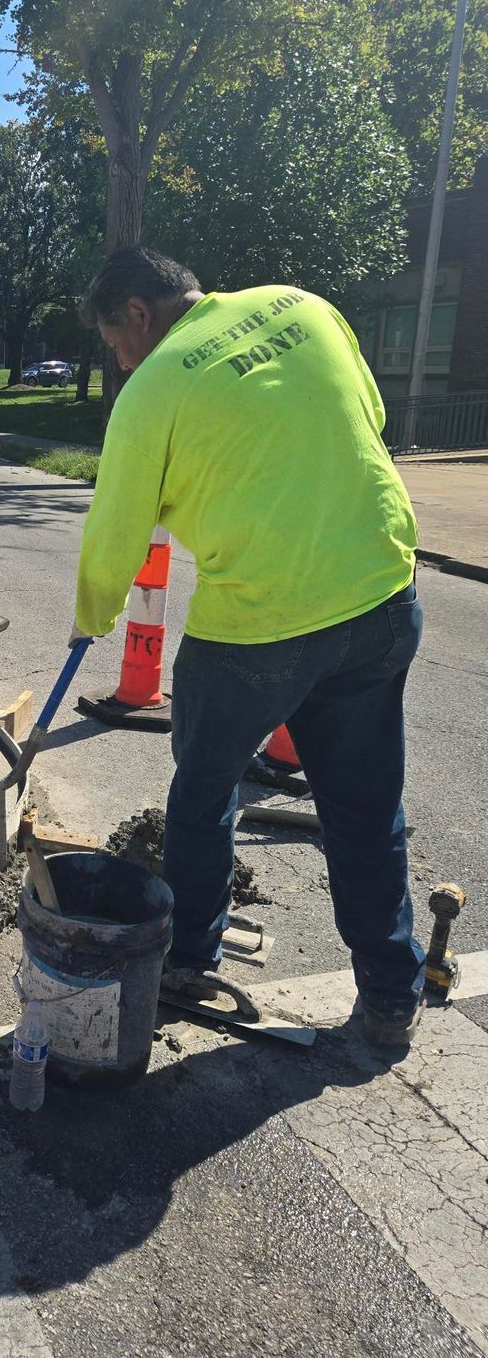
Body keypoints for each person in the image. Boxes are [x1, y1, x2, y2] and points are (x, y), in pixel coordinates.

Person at [72, 247, 424, 1047]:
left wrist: (92, 613)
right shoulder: (301, 304)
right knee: (365, 809)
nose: (121, 360)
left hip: (258, 626)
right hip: (379, 591)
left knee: (202, 796)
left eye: (114, 343)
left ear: (137, 313)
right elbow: (361, 414)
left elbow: (116, 528)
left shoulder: (153, 388)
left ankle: (188, 955)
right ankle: (390, 999)